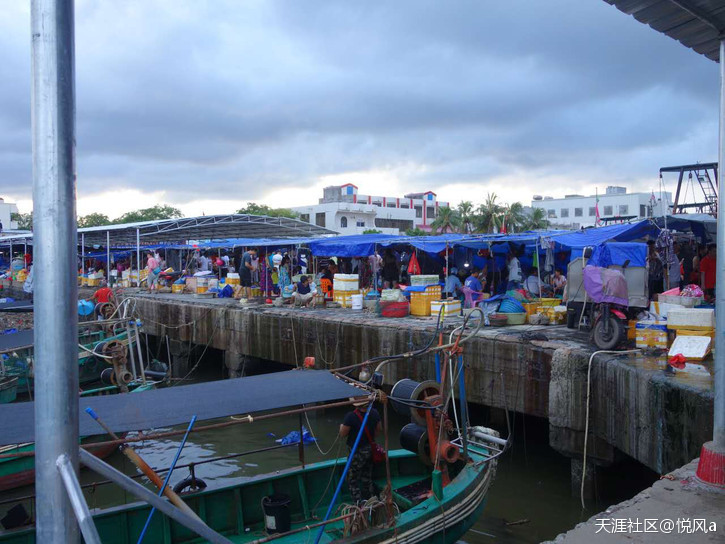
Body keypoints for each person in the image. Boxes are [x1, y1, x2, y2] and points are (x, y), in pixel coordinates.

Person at [339, 400, 382, 504]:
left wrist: (341, 426)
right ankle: (371, 500)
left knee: (351, 479)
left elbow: (342, 434)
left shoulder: (351, 416)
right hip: (369, 450)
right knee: (367, 477)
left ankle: (358, 503)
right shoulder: (374, 413)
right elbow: (379, 430)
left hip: (357, 451)